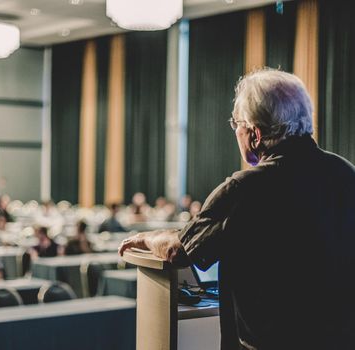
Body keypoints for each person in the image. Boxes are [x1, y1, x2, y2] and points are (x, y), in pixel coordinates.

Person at [119, 69, 355, 349]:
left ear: (255, 134)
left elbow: (179, 249)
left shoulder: (246, 188)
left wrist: (148, 237)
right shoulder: (345, 173)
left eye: (236, 124)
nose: (236, 132)